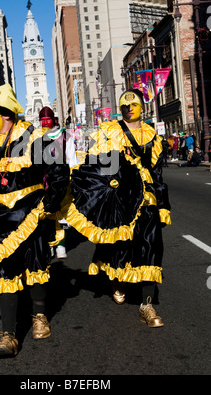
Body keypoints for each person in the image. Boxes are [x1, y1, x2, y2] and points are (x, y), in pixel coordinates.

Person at [0, 85, 69, 357]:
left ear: (6, 115)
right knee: (3, 270)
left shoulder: (34, 137)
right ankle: (9, 335)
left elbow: (58, 171)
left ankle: (40, 316)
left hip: (31, 212)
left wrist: (49, 204)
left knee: (36, 264)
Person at [61, 89, 171, 327]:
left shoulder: (152, 136)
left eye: (134, 105)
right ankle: (117, 282)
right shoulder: (110, 131)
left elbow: (157, 175)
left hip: (147, 198)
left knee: (151, 246)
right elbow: (97, 161)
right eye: (124, 106)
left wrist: (163, 205)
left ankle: (147, 305)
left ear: (143, 107)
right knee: (119, 246)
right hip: (120, 198)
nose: (129, 108)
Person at [39, 106, 79, 259]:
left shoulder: (64, 136)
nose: (45, 123)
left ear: (53, 119)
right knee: (46, 215)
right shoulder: (37, 136)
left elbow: (71, 158)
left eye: (47, 119)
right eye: (42, 120)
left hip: (61, 180)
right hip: (43, 181)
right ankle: (49, 245)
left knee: (61, 214)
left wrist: (72, 177)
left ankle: (61, 245)